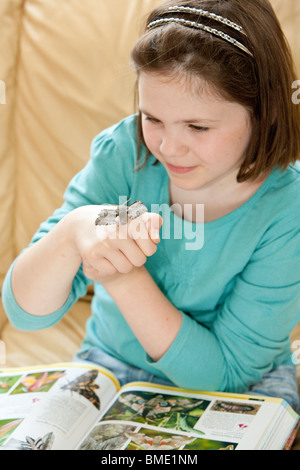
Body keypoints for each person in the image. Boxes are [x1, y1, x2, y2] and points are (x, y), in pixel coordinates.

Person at [2, 0, 300, 411]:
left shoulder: (286, 207)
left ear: (264, 113)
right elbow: (26, 313)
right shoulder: (126, 152)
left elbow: (226, 375)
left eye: (197, 127)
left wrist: (123, 276)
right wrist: (74, 231)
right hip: (112, 365)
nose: (168, 147)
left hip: (242, 383)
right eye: (152, 118)